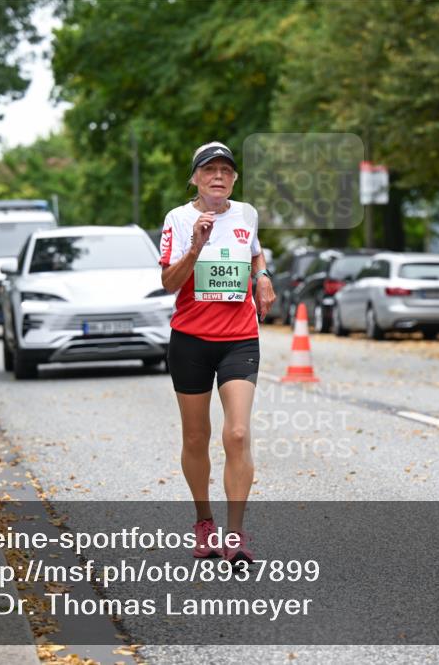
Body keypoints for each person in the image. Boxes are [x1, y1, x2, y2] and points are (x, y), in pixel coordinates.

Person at [159, 142, 275, 565]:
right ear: (195, 178)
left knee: (238, 434)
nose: (219, 176)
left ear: (234, 179)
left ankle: (236, 534)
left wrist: (262, 275)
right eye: (209, 170)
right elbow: (169, 283)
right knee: (196, 437)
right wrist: (195, 246)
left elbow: (255, 249)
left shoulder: (246, 213)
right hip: (190, 339)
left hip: (239, 337)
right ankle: (204, 521)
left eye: (226, 170)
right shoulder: (178, 218)